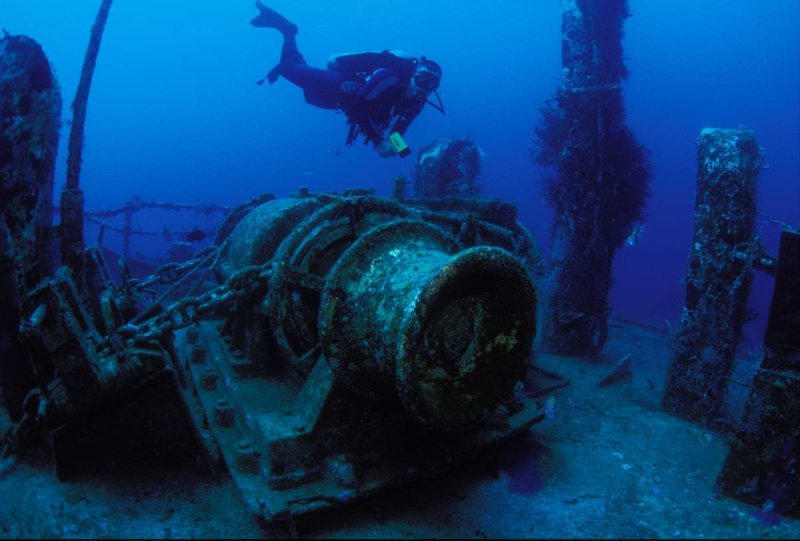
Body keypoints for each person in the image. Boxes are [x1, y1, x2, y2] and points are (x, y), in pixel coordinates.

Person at [250, 1, 443, 158]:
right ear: (413, 76)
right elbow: (354, 104)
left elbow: (398, 131)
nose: (423, 88)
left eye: (431, 84)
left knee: (311, 97)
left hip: (347, 102)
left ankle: (299, 64)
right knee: (288, 69)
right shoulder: (389, 77)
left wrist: (402, 150)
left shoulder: (416, 104)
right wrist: (378, 141)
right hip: (345, 86)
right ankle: (288, 30)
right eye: (421, 80)